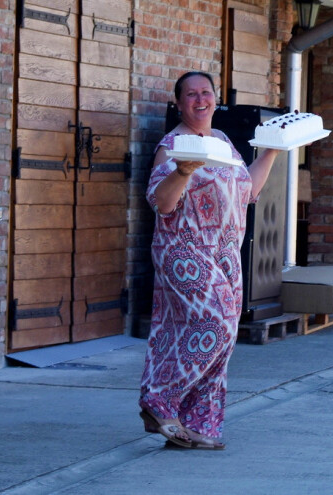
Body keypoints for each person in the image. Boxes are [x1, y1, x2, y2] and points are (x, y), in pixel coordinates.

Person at [139, 71, 281, 450]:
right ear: (179, 103)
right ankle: (159, 400)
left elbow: (247, 190)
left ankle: (195, 421)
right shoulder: (174, 146)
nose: (199, 100)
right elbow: (162, 203)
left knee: (225, 337)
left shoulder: (221, 141)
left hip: (224, 253)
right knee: (214, 325)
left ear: (215, 98)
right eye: (190, 94)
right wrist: (184, 172)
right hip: (183, 248)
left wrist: (271, 151)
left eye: (206, 92)